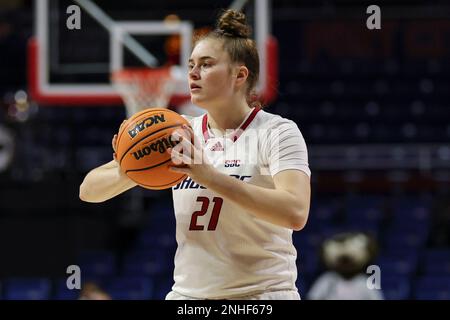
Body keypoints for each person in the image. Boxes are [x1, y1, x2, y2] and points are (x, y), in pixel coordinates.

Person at [80, 9, 311, 300]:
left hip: (261, 296)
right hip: (189, 298)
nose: (192, 73)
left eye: (206, 64)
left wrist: (209, 176)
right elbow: (88, 191)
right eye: (191, 65)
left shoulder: (276, 132)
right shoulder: (178, 132)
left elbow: (295, 212)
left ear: (239, 75)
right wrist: (127, 168)